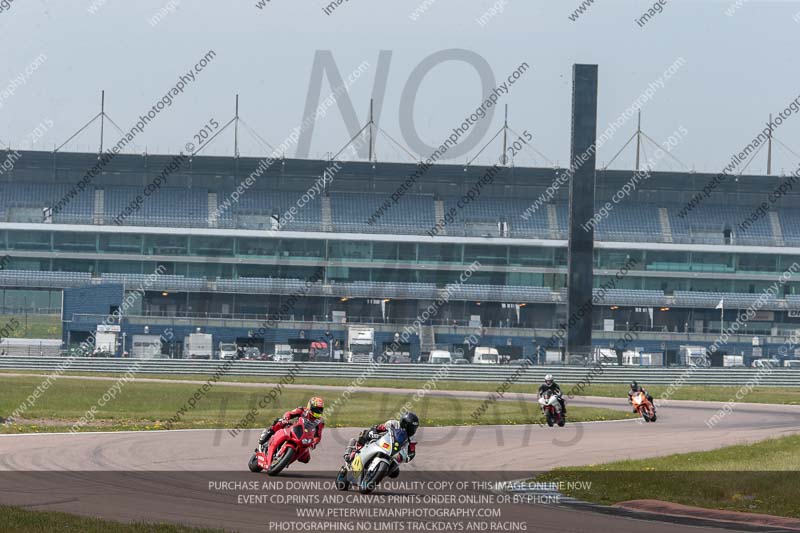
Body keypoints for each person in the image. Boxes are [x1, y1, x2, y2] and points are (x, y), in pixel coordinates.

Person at [344, 411, 419, 464]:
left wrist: (404, 458)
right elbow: (379, 428)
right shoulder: (393, 423)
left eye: (414, 428)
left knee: (395, 473)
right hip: (383, 441)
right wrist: (376, 430)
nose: (412, 430)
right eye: (410, 427)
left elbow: (411, 453)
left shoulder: (413, 438)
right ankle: (355, 451)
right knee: (366, 433)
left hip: (394, 453)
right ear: (404, 423)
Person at [258, 396, 325, 449]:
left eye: (320, 410)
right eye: (316, 409)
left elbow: (318, 436)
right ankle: (268, 432)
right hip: (293, 429)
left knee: (306, 459)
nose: (318, 411)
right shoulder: (302, 410)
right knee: (281, 422)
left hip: (304, 438)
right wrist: (286, 418)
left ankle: (286, 459)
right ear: (310, 406)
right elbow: (290, 413)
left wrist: (314, 443)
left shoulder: (320, 422)